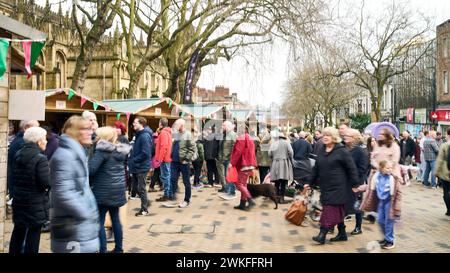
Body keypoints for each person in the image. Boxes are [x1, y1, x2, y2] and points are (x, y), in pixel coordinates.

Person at [49, 116, 99, 253]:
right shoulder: (65, 156)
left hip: (80, 227)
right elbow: (64, 193)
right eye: (86, 129)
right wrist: (86, 213)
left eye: (91, 129)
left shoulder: (77, 153)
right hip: (72, 228)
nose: (91, 132)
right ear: (74, 132)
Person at [305, 127, 359, 245]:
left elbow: (351, 168)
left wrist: (355, 184)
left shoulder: (342, 151)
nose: (325, 137)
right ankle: (342, 233)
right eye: (324, 135)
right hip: (325, 186)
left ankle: (322, 234)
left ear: (334, 137)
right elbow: (316, 169)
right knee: (336, 210)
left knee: (329, 210)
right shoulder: (322, 150)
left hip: (339, 186)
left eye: (328, 135)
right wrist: (309, 183)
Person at [89, 127, 131, 253]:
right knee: (115, 219)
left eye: (97, 136)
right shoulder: (119, 151)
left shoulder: (102, 152)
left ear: (102, 137)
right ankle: (119, 249)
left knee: (99, 221)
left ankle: (103, 250)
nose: (95, 138)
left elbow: (91, 170)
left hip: (103, 191)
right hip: (117, 190)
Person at [9, 127, 50, 253]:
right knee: (33, 235)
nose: (46, 142)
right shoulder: (40, 158)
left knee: (18, 231)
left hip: (19, 199)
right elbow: (45, 183)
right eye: (44, 139)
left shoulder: (18, 154)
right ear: (38, 141)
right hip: (35, 203)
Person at [361, 161, 402, 250]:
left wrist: (397, 207)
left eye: (391, 168)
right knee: (380, 221)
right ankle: (386, 237)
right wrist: (361, 188)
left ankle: (390, 240)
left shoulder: (393, 179)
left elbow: (398, 193)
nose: (390, 169)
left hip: (389, 203)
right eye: (387, 168)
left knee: (389, 222)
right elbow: (370, 187)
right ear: (381, 168)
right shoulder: (376, 176)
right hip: (381, 202)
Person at [343, 129, 369, 235]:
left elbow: (362, 168)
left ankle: (358, 227)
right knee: (343, 203)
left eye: (348, 136)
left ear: (355, 138)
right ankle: (338, 226)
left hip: (356, 183)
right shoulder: (345, 148)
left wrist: (356, 182)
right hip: (345, 181)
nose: (345, 137)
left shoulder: (360, 151)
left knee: (357, 205)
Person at [7, 120, 40, 198]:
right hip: (21, 189)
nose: (39, 131)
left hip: (19, 187)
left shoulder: (20, 140)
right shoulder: (23, 143)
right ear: (26, 128)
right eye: (36, 128)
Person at [169, 119, 196, 208]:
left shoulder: (188, 134)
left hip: (183, 162)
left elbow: (192, 148)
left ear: (182, 125)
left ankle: (186, 200)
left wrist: (187, 159)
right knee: (172, 179)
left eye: (177, 124)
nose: (175, 126)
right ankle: (174, 196)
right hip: (174, 161)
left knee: (186, 182)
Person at [129, 116, 153, 216]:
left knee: (141, 188)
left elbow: (146, 153)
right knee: (137, 188)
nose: (133, 124)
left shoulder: (144, 136)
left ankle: (144, 209)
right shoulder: (139, 134)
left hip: (141, 166)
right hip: (137, 166)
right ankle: (145, 202)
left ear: (141, 124)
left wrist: (134, 160)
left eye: (135, 122)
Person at [230, 123, 257, 211]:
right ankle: (242, 203)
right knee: (243, 184)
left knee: (239, 184)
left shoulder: (242, 137)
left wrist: (232, 163)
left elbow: (238, 151)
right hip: (250, 164)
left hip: (244, 164)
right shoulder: (249, 137)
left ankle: (250, 199)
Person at [268, 132, 294, 204]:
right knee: (283, 182)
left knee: (276, 182)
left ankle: (276, 197)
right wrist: (290, 158)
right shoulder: (287, 142)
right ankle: (282, 198)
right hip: (284, 163)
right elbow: (291, 152)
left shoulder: (274, 143)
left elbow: (269, 153)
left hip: (275, 163)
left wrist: (274, 157)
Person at [217, 121, 238, 200]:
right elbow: (222, 147)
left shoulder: (232, 135)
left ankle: (231, 193)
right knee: (227, 176)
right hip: (225, 159)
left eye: (224, 125)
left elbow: (235, 148)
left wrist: (232, 161)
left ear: (228, 126)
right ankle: (229, 192)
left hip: (230, 159)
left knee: (229, 176)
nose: (222, 126)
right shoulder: (225, 135)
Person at [155, 118, 173, 202]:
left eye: (159, 122)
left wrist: (160, 158)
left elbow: (164, 146)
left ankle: (167, 195)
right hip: (166, 158)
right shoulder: (167, 132)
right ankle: (168, 194)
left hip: (164, 159)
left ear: (160, 124)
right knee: (166, 176)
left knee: (165, 176)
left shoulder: (163, 133)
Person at [436, 128, 450, 216]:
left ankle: (449, 209)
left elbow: (440, 159)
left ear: (448, 135)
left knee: (446, 191)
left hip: (446, 171)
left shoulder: (444, 145)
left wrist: (437, 171)